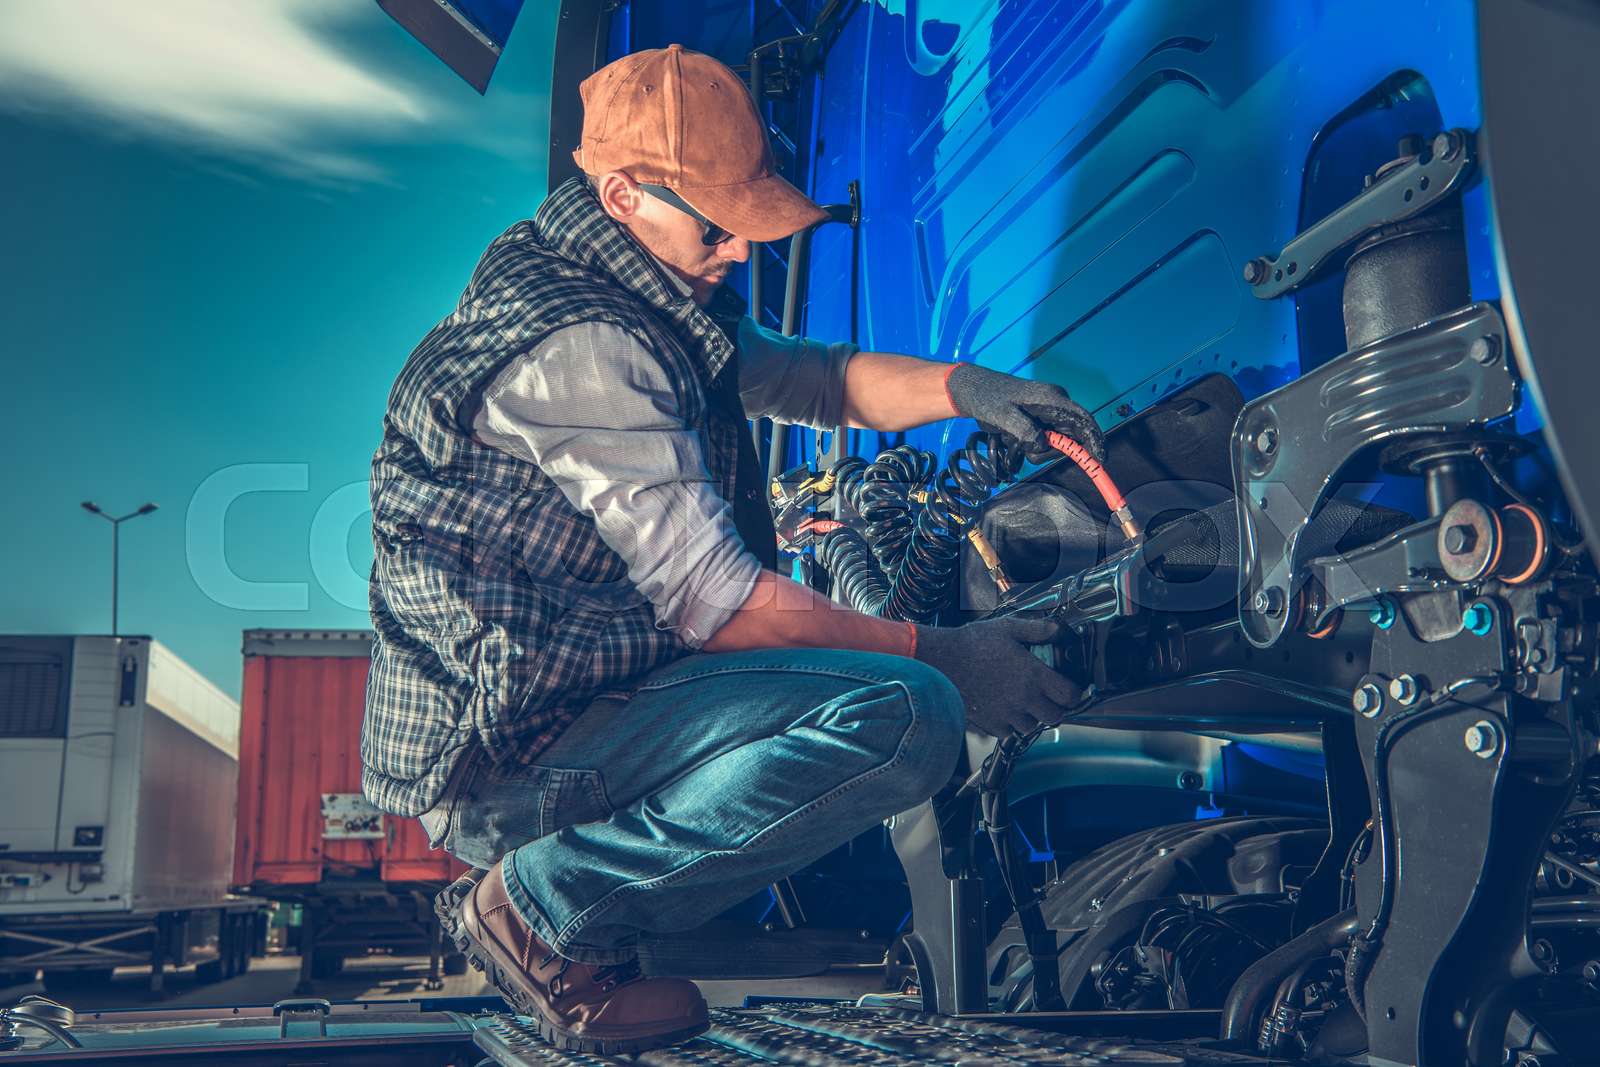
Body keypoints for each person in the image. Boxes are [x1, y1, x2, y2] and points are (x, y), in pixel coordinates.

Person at [362, 44, 1103, 1055]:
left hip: (568, 708)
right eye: (721, 225)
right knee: (899, 712)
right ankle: (543, 908)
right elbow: (726, 607)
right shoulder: (582, 343)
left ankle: (574, 905)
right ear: (623, 195)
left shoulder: (638, 289)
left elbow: (811, 378)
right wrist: (950, 656)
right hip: (516, 762)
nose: (740, 250)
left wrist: (966, 386)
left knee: (884, 686)